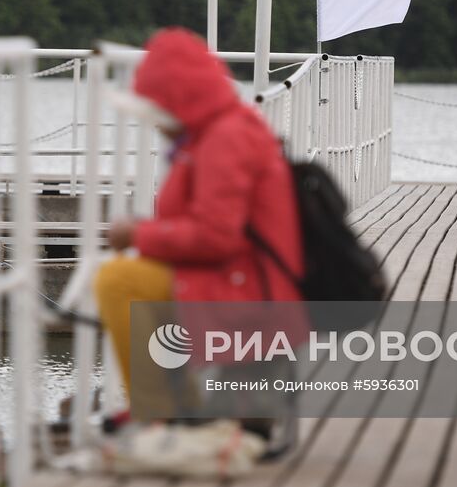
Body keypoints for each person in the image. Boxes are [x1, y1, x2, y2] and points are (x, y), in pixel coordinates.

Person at [94, 27, 304, 421]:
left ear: (177, 101)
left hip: (248, 292)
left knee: (120, 279)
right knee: (137, 275)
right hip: (245, 280)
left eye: (156, 109)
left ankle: (160, 412)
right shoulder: (219, 130)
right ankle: (170, 404)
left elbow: (215, 236)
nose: (154, 122)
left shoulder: (224, 139)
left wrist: (137, 233)